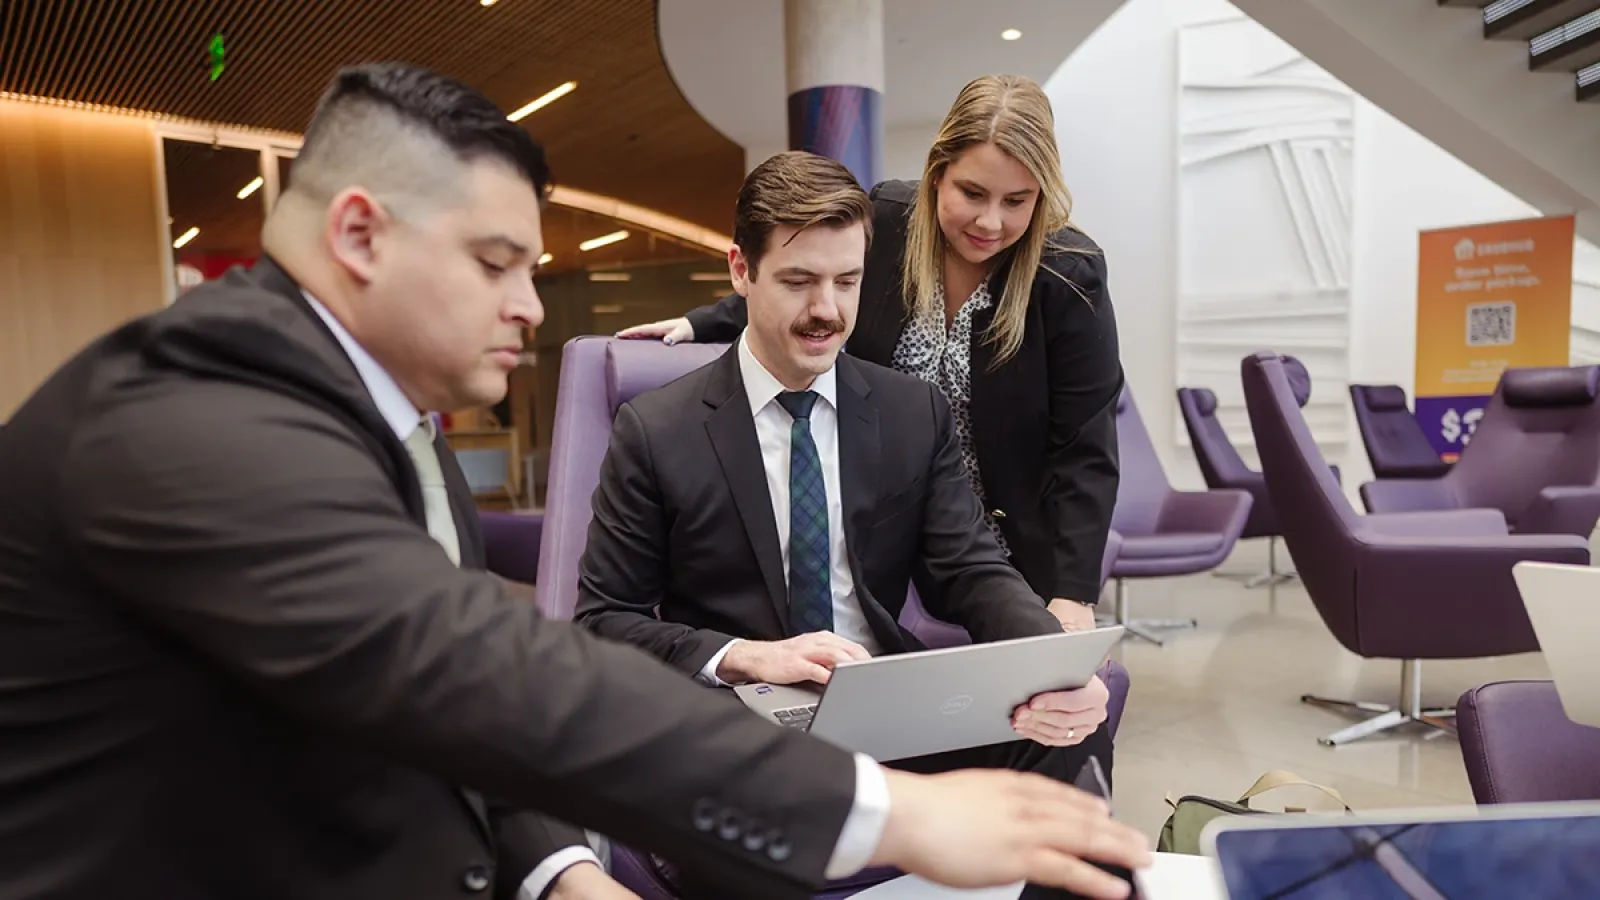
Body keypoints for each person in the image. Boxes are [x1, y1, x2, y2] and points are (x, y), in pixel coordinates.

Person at [0, 64, 1149, 900]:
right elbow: (473, 671)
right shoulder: (202, 417)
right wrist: (892, 813)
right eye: (496, 264)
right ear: (359, 235)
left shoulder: (392, 431)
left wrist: (554, 870)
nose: (530, 309)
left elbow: (438, 712)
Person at [576, 149, 1124, 899]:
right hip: (738, 728)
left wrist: (1050, 664)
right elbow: (605, 620)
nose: (827, 310)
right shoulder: (657, 430)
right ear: (741, 271)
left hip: (883, 709)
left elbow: (969, 569)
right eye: (798, 281)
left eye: (847, 281)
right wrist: (744, 656)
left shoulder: (907, 412)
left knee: (1068, 731)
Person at [620, 74, 1122, 635]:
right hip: (889, 525)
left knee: (1051, 700)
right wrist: (700, 322)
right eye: (972, 193)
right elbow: (808, 278)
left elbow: (1085, 449)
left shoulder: (1067, 275)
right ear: (937, 175)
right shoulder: (888, 219)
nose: (990, 222)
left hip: (1003, 539)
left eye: (1017, 201)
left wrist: (1073, 593)